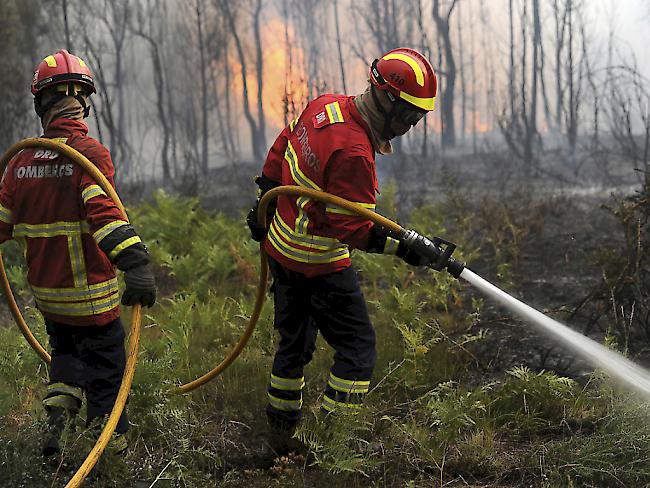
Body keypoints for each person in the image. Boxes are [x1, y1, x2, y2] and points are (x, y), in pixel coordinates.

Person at [247, 47, 461, 454]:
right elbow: (355, 228)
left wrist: (264, 198)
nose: (410, 125)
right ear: (385, 98)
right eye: (409, 114)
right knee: (358, 348)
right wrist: (409, 250)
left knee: (294, 344)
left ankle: (280, 434)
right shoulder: (354, 154)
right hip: (318, 264)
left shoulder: (324, 106)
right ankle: (332, 439)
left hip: (281, 249)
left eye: (419, 117)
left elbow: (284, 144)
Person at [0, 49, 157, 456]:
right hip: (92, 302)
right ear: (82, 102)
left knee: (66, 360)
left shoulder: (20, 162)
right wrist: (136, 263)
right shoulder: (90, 154)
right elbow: (106, 219)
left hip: (51, 301)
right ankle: (109, 457)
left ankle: (55, 431)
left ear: (41, 103)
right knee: (107, 376)